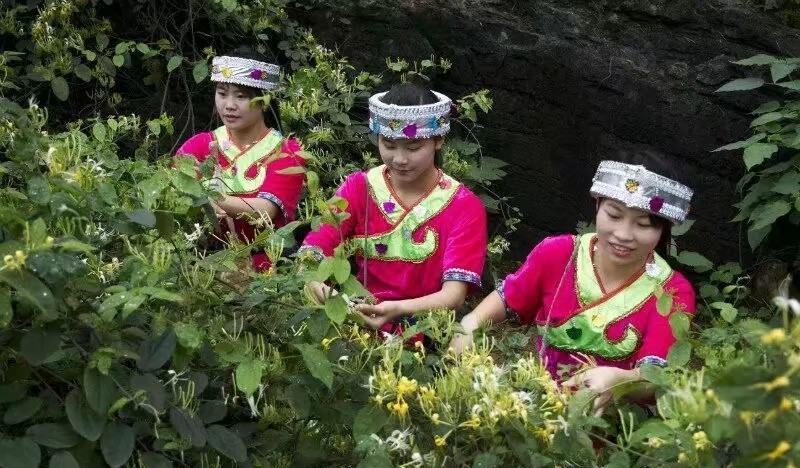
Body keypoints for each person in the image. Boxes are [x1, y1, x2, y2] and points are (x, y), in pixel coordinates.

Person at [451, 160, 696, 413]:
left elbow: (659, 378)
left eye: (643, 224)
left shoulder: (672, 291)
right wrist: (470, 323)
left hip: (613, 427)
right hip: (535, 406)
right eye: (614, 215)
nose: (623, 234)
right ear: (597, 205)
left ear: (663, 229)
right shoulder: (558, 253)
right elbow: (508, 297)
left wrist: (622, 381)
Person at [298, 83, 488, 333]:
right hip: (354, 322)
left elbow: (453, 295)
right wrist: (323, 290)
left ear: (438, 140)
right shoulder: (359, 188)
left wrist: (397, 309)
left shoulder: (464, 206)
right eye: (388, 145)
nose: (399, 159)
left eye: (413, 148)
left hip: (427, 331)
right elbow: (312, 252)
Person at [175, 50, 306, 271]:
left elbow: (265, 211)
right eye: (222, 93)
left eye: (241, 96)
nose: (229, 105)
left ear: (264, 100)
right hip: (199, 265)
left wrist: (209, 198)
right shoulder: (198, 145)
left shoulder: (286, 152)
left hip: (265, 270)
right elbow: (171, 194)